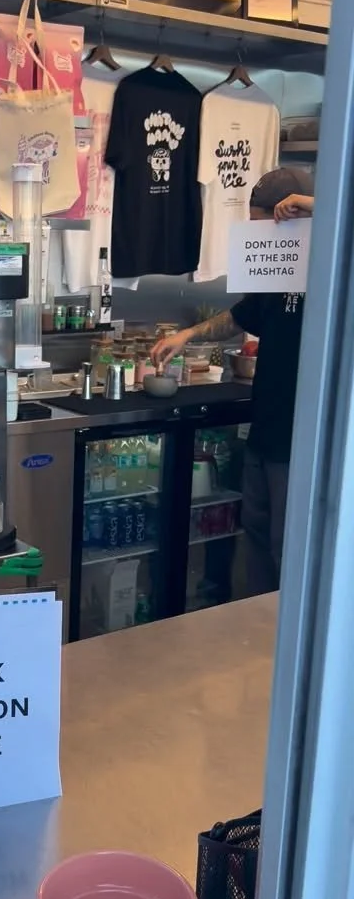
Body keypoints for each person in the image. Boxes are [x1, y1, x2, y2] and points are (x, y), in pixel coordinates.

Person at [152, 167, 315, 595]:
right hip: (265, 429)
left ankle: (282, 633)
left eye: (267, 224)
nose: (261, 235)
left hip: (303, 442)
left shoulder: (333, 269)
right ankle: (259, 627)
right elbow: (240, 317)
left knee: (288, 549)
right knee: (256, 537)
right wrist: (187, 335)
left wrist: (316, 208)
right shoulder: (280, 272)